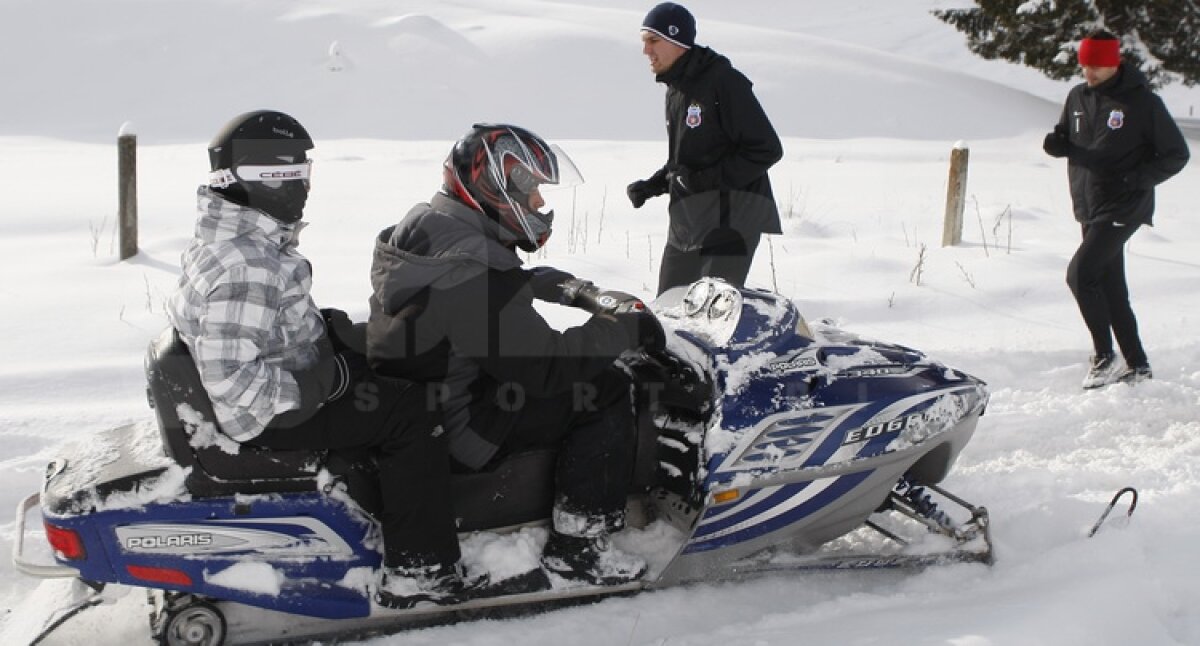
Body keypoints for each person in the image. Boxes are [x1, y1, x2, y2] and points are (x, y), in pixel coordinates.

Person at [167, 110, 472, 609]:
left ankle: (388, 498)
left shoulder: (234, 241)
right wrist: (318, 385)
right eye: (299, 172)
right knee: (414, 412)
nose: (306, 186)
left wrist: (330, 332)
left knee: (396, 369)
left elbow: (259, 328)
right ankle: (421, 571)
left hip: (293, 375)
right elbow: (235, 387)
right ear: (269, 176)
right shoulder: (247, 265)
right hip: (269, 412)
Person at [367, 123, 665, 587]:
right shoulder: (471, 275)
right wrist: (622, 327)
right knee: (606, 388)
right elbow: (547, 367)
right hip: (462, 429)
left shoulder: (428, 228)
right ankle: (580, 547)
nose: (540, 205)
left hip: (430, 398)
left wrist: (564, 288)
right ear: (495, 190)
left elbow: (479, 292)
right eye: (532, 194)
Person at [1042, 31, 1189, 389]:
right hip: (1089, 204)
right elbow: (1067, 134)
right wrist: (1056, 143)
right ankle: (1137, 364)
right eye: (1085, 64)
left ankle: (1105, 356)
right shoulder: (1077, 96)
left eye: (1096, 65)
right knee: (1109, 286)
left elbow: (1176, 154)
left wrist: (1137, 179)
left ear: (1114, 63)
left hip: (1125, 204)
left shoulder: (1143, 104)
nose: (1088, 72)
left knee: (1080, 274)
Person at [627, 2, 784, 295]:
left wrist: (704, 182)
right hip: (689, 220)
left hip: (732, 221)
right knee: (667, 312)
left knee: (707, 320)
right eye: (644, 42)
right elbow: (688, 158)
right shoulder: (677, 89)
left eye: (653, 41)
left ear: (677, 40)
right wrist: (654, 185)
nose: (646, 51)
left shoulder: (724, 81)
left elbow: (766, 149)